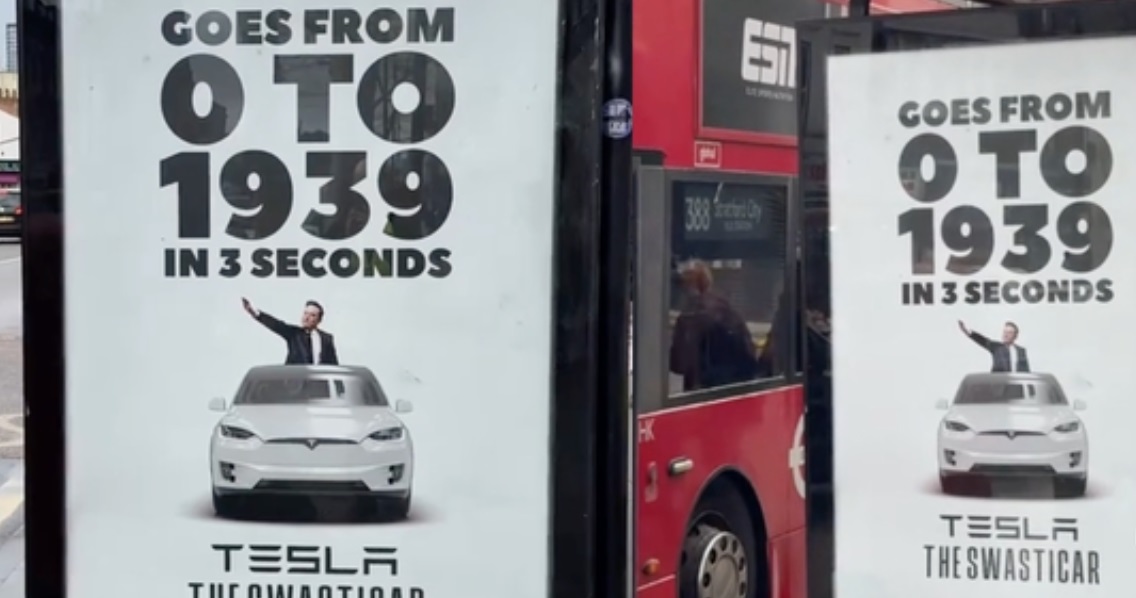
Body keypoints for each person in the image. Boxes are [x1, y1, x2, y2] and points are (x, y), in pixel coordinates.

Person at [669, 260, 759, 391]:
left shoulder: (690, 318)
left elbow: (679, 365)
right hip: (734, 388)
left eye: (683, 285)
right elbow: (750, 355)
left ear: (691, 287)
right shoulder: (729, 310)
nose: (682, 292)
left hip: (702, 391)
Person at [242, 297, 340, 365]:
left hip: (318, 385)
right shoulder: (294, 334)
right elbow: (276, 325)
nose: (306, 318)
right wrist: (255, 313)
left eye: (312, 315)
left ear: (319, 320)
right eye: (305, 313)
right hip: (295, 384)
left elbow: (333, 364)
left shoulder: (327, 339)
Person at [958, 320, 1029, 372]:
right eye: (1004, 332)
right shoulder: (996, 347)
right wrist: (967, 331)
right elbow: (982, 340)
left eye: (1009, 333)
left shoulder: (1021, 350)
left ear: (1015, 336)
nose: (1005, 335)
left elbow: (1026, 370)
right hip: (999, 383)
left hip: (1015, 385)